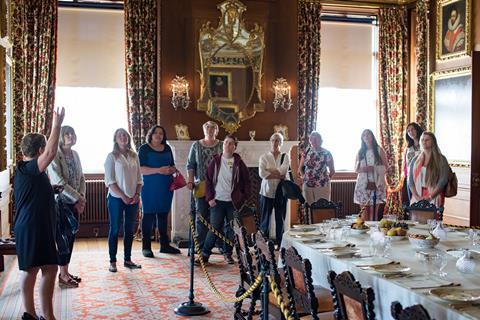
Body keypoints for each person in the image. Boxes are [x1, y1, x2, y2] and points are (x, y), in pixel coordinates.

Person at [14, 107, 65, 320]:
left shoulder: (28, 170)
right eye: (44, 148)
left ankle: (41, 315)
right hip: (32, 226)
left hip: (36, 225)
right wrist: (57, 124)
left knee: (45, 268)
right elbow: (51, 153)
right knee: (35, 269)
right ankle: (34, 315)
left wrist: (51, 191)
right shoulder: (30, 167)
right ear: (40, 149)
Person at [199, 135, 251, 265]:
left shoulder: (239, 163)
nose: (227, 146)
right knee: (214, 228)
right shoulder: (215, 161)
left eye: (231, 143)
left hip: (233, 203)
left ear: (234, 147)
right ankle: (205, 254)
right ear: (223, 145)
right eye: (226, 143)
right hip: (217, 201)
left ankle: (228, 253)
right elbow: (208, 181)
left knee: (231, 229)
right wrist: (209, 198)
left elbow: (247, 182)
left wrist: (243, 197)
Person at [47, 126, 86, 289]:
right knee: (62, 239)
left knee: (71, 237)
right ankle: (62, 276)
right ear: (61, 136)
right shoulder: (54, 155)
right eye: (67, 133)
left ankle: (66, 272)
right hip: (61, 203)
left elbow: (82, 178)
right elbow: (59, 181)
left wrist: (81, 198)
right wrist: (77, 198)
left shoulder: (75, 154)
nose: (70, 136)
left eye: (72, 133)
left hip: (75, 202)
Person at [104, 128, 143, 272]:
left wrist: (137, 195)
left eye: (125, 135)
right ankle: (112, 261)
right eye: (120, 135)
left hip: (133, 199)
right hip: (116, 199)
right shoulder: (111, 157)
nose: (123, 137)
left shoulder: (134, 156)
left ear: (128, 138)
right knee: (115, 229)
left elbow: (139, 179)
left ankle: (128, 259)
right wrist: (123, 196)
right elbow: (110, 181)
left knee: (129, 229)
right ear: (115, 139)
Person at [139, 125, 181, 257]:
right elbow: (140, 169)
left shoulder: (167, 148)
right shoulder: (144, 149)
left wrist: (172, 169)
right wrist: (158, 170)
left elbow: (172, 165)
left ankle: (165, 245)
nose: (158, 135)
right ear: (150, 135)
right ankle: (146, 247)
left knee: (163, 215)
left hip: (165, 187)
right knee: (148, 216)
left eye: (161, 133)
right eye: (156, 133)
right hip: (149, 188)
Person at [186, 121, 223, 251]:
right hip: (200, 185)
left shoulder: (222, 145)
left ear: (216, 131)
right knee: (200, 217)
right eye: (207, 127)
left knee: (217, 218)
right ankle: (199, 247)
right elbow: (190, 165)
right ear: (203, 129)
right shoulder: (196, 145)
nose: (210, 129)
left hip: (218, 187)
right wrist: (190, 180)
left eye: (213, 127)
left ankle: (218, 246)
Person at [259, 133, 290, 244]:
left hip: (281, 192)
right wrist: (277, 173)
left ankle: (280, 242)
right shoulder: (264, 157)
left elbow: (284, 171)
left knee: (280, 219)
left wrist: (270, 170)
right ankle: (263, 243)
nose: (275, 142)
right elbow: (262, 173)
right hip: (266, 192)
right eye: (273, 140)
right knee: (265, 219)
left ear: (281, 143)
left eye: (277, 140)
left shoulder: (285, 156)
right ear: (270, 142)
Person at [354, 129, 388, 221]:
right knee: (364, 211)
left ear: (372, 137)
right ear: (362, 138)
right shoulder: (360, 152)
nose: (366, 137)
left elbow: (386, 167)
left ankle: (374, 232)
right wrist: (364, 169)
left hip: (376, 183)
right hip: (363, 183)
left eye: (368, 134)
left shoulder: (379, 150)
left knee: (374, 213)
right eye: (364, 135)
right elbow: (356, 169)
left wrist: (375, 168)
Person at [409, 132, 450, 207]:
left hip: (434, 196)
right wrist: (417, 197)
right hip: (417, 196)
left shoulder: (441, 159)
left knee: (433, 218)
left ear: (433, 142)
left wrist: (430, 197)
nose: (424, 142)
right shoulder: (415, 160)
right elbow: (410, 181)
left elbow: (443, 180)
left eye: (427, 140)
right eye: (422, 140)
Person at [298, 131, 335, 204]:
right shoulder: (306, 152)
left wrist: (324, 180)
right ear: (310, 141)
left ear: (321, 141)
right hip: (308, 186)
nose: (314, 141)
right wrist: (304, 177)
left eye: (317, 139)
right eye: (312, 139)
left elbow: (332, 171)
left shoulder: (327, 153)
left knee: (322, 208)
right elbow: (300, 168)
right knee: (308, 209)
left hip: (322, 186)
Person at [403, 123, 423, 202]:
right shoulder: (408, 148)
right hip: (410, 179)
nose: (411, 132)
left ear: (417, 129)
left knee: (423, 202)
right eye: (408, 131)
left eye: (412, 129)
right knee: (412, 202)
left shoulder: (424, 145)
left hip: (423, 177)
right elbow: (406, 165)